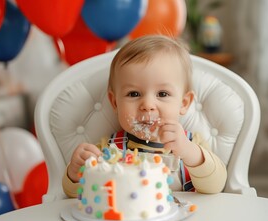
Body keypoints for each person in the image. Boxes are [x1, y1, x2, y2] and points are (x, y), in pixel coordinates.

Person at [62, 35, 227, 197]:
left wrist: (190, 152)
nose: (147, 105)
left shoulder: (192, 145)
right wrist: (76, 172)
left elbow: (216, 186)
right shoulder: (109, 150)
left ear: (184, 103)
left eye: (162, 94)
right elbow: (79, 194)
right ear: (115, 103)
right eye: (134, 94)